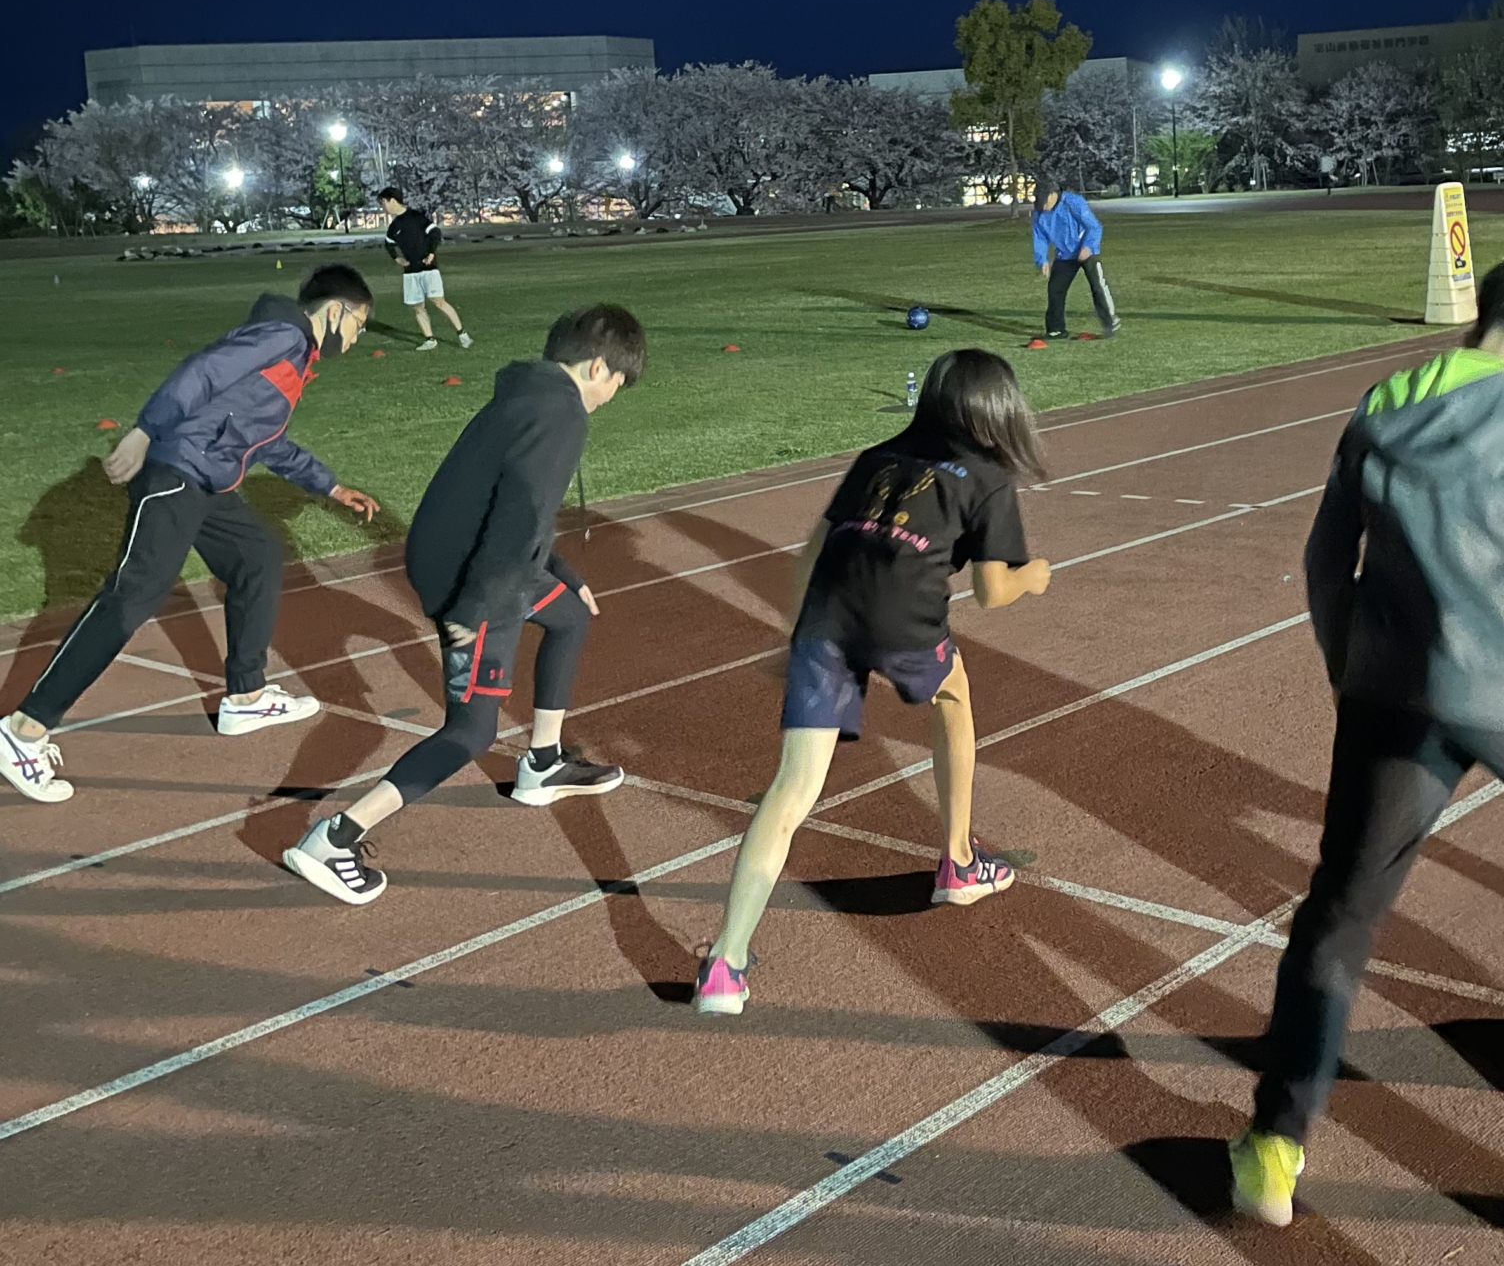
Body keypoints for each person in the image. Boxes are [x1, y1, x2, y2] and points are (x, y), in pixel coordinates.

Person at [1230, 254, 1504, 1227]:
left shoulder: (1384, 401)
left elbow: (1328, 556)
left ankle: (1277, 1143)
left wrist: (1346, 663)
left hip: (1389, 696)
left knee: (1340, 911)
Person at [694, 347, 1052, 1014]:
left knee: (792, 787)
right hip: (905, 621)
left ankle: (726, 961)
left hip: (826, 618)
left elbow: (810, 553)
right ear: (998, 411)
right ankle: (959, 862)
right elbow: (993, 591)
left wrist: (797, 637)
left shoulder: (874, 458)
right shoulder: (987, 475)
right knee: (955, 699)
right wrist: (1033, 576)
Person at [282, 301, 644, 904]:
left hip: (479, 564)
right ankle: (333, 839)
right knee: (470, 731)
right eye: (618, 385)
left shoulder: (527, 395)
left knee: (569, 615)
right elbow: (517, 518)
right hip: (477, 582)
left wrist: (559, 569)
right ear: (599, 367)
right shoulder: (563, 415)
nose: (612, 397)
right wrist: (471, 614)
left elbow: (505, 502)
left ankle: (544, 764)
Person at [0, 267, 382, 806]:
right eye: (359, 324)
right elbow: (202, 371)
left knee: (258, 555)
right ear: (337, 310)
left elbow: (265, 440)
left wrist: (331, 486)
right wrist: (143, 430)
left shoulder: (292, 354)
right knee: (134, 595)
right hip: (176, 470)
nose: (357, 338)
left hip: (208, 479)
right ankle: (25, 730)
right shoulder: (285, 335)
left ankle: (246, 695)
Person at [379, 188, 470, 352]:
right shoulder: (394, 226)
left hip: (428, 268)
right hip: (410, 272)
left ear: (392, 200)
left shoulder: (416, 217)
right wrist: (396, 258)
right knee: (417, 306)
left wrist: (431, 252)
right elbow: (388, 243)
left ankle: (462, 334)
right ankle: (430, 340)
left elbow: (435, 232)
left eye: (383, 202)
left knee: (438, 301)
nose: (383, 207)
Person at [1032, 180, 1119, 338]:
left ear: (1053, 195)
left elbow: (1094, 226)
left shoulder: (1073, 202)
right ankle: (1056, 330)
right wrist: (1042, 259)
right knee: (1055, 290)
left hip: (1086, 251)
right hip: (1064, 255)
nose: (1042, 205)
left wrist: (1088, 246)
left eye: (1044, 200)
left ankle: (1109, 323)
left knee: (1097, 286)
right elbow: (1040, 237)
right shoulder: (1039, 212)